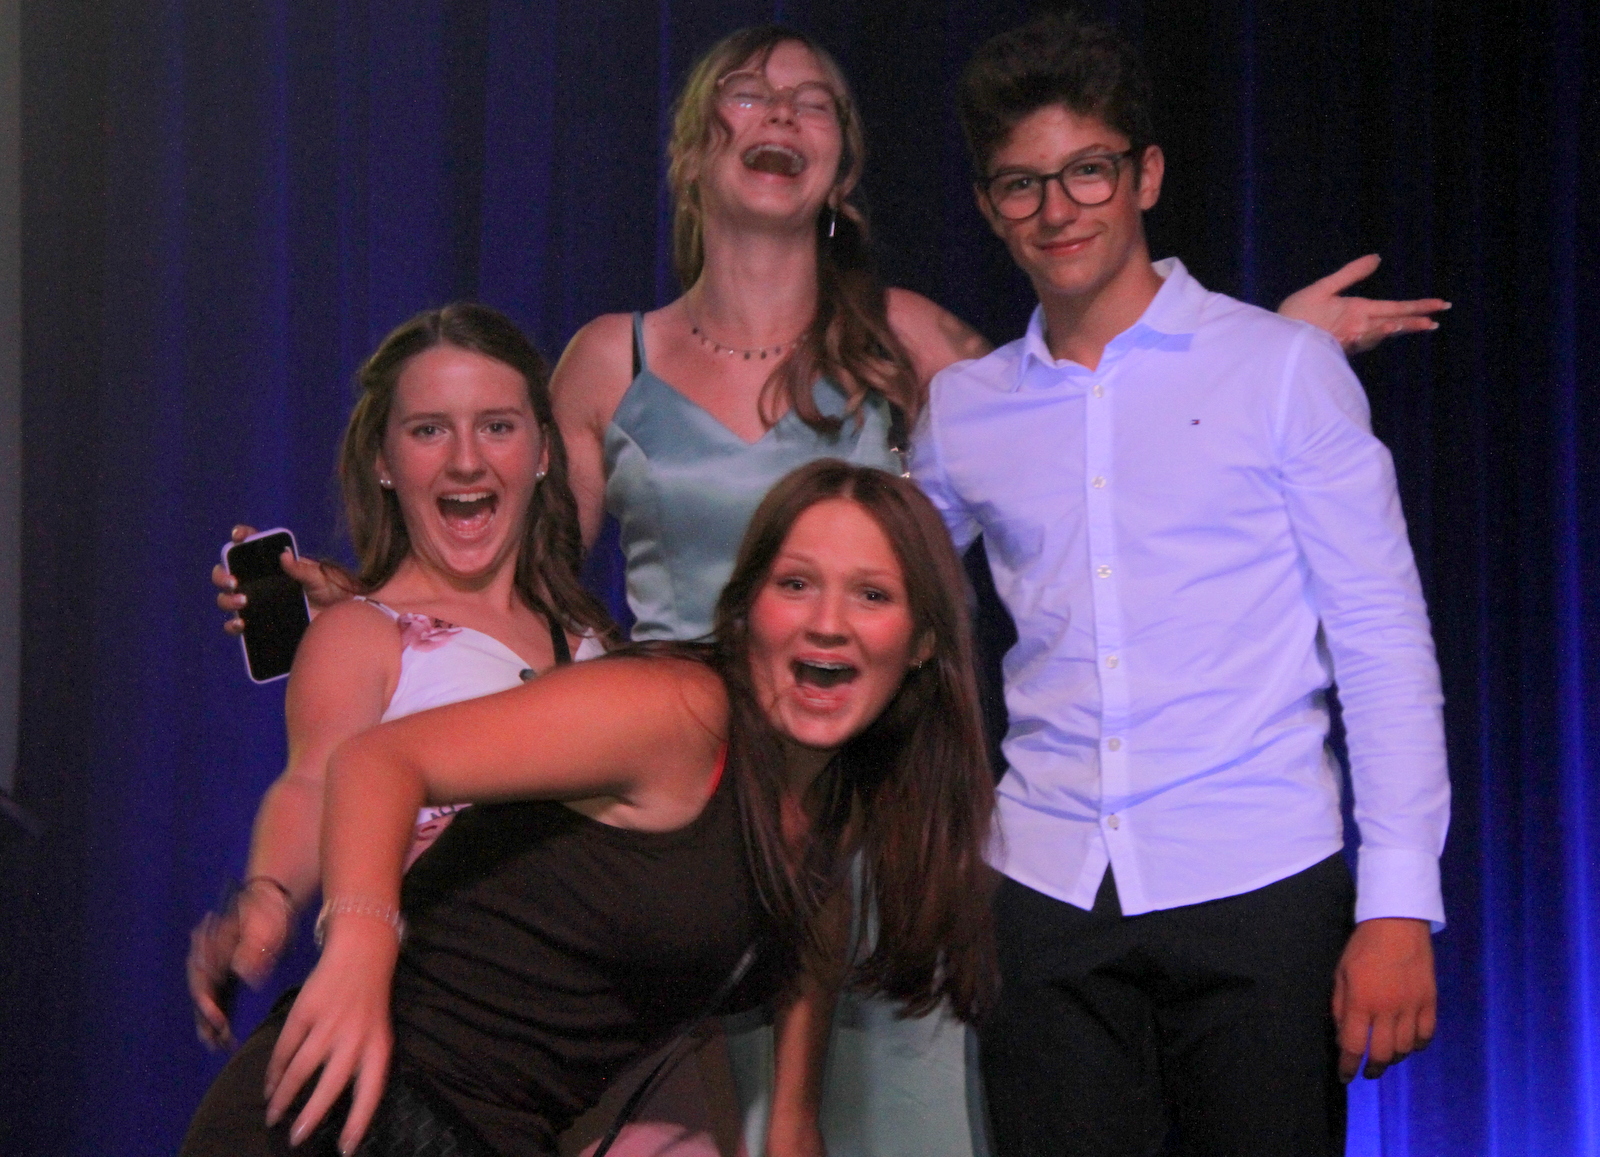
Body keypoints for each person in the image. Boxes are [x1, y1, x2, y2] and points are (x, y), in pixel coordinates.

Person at [213, 27, 1444, 1155]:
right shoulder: (647, 365)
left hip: (870, 829)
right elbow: (533, 575)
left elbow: (1104, 431)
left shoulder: (928, 352)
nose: (776, 113)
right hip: (680, 814)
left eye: (808, 100)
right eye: (746, 94)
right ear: (691, 147)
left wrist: (1263, 349)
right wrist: (380, 606)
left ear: (844, 168)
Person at [908, 13, 1450, 1155]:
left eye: (1087, 171)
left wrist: (1398, 900)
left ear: (1145, 174)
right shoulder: (965, 410)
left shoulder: (1280, 368)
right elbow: (879, 594)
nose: (1056, 208)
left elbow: (1381, 638)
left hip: (1260, 881)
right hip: (1043, 891)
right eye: (1020, 184)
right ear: (987, 206)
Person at [179, 459, 999, 1157]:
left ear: (923, 641)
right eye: (796, 584)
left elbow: (791, 1116)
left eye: (871, 595)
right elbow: (378, 759)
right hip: (345, 1103)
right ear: (750, 606)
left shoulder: (834, 821)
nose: (827, 623)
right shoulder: (680, 712)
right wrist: (359, 948)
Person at [186, 302, 614, 1050]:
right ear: (383, 460)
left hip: (601, 1037)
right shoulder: (361, 633)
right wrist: (269, 898)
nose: (466, 460)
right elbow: (317, 779)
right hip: (456, 1038)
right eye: (428, 430)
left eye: (497, 426)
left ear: (543, 451)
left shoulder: (590, 639)